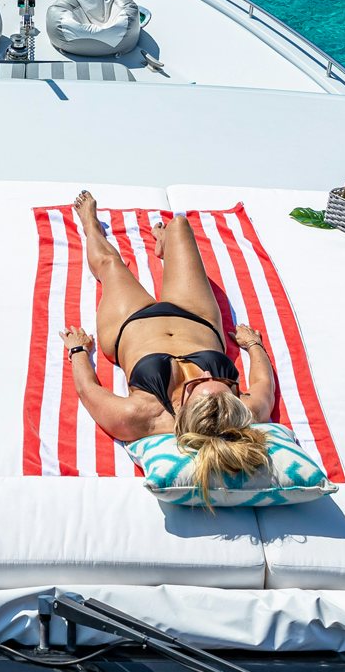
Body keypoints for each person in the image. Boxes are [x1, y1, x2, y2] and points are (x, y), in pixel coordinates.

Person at [58, 191, 276, 496]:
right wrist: (254, 345)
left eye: (199, 383)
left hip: (129, 324)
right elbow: (264, 382)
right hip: (196, 316)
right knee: (179, 226)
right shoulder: (243, 411)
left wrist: (78, 350)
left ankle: (89, 223)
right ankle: (163, 244)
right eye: (218, 377)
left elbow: (89, 391)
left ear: (184, 409)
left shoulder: (140, 416)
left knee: (110, 264)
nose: (204, 373)